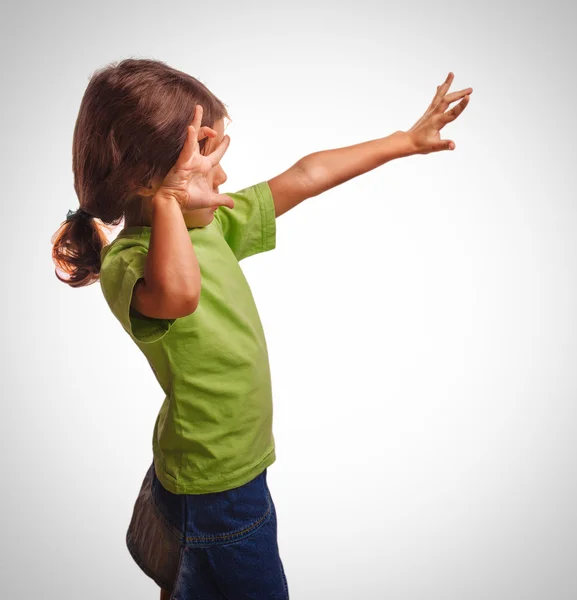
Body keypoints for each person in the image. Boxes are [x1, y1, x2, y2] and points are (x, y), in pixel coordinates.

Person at [51, 58, 472, 599]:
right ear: (149, 184)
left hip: (220, 470)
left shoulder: (217, 226)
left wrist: (404, 140)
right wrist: (168, 202)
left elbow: (303, 177)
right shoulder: (129, 264)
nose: (223, 177)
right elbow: (179, 293)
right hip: (219, 482)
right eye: (206, 163)